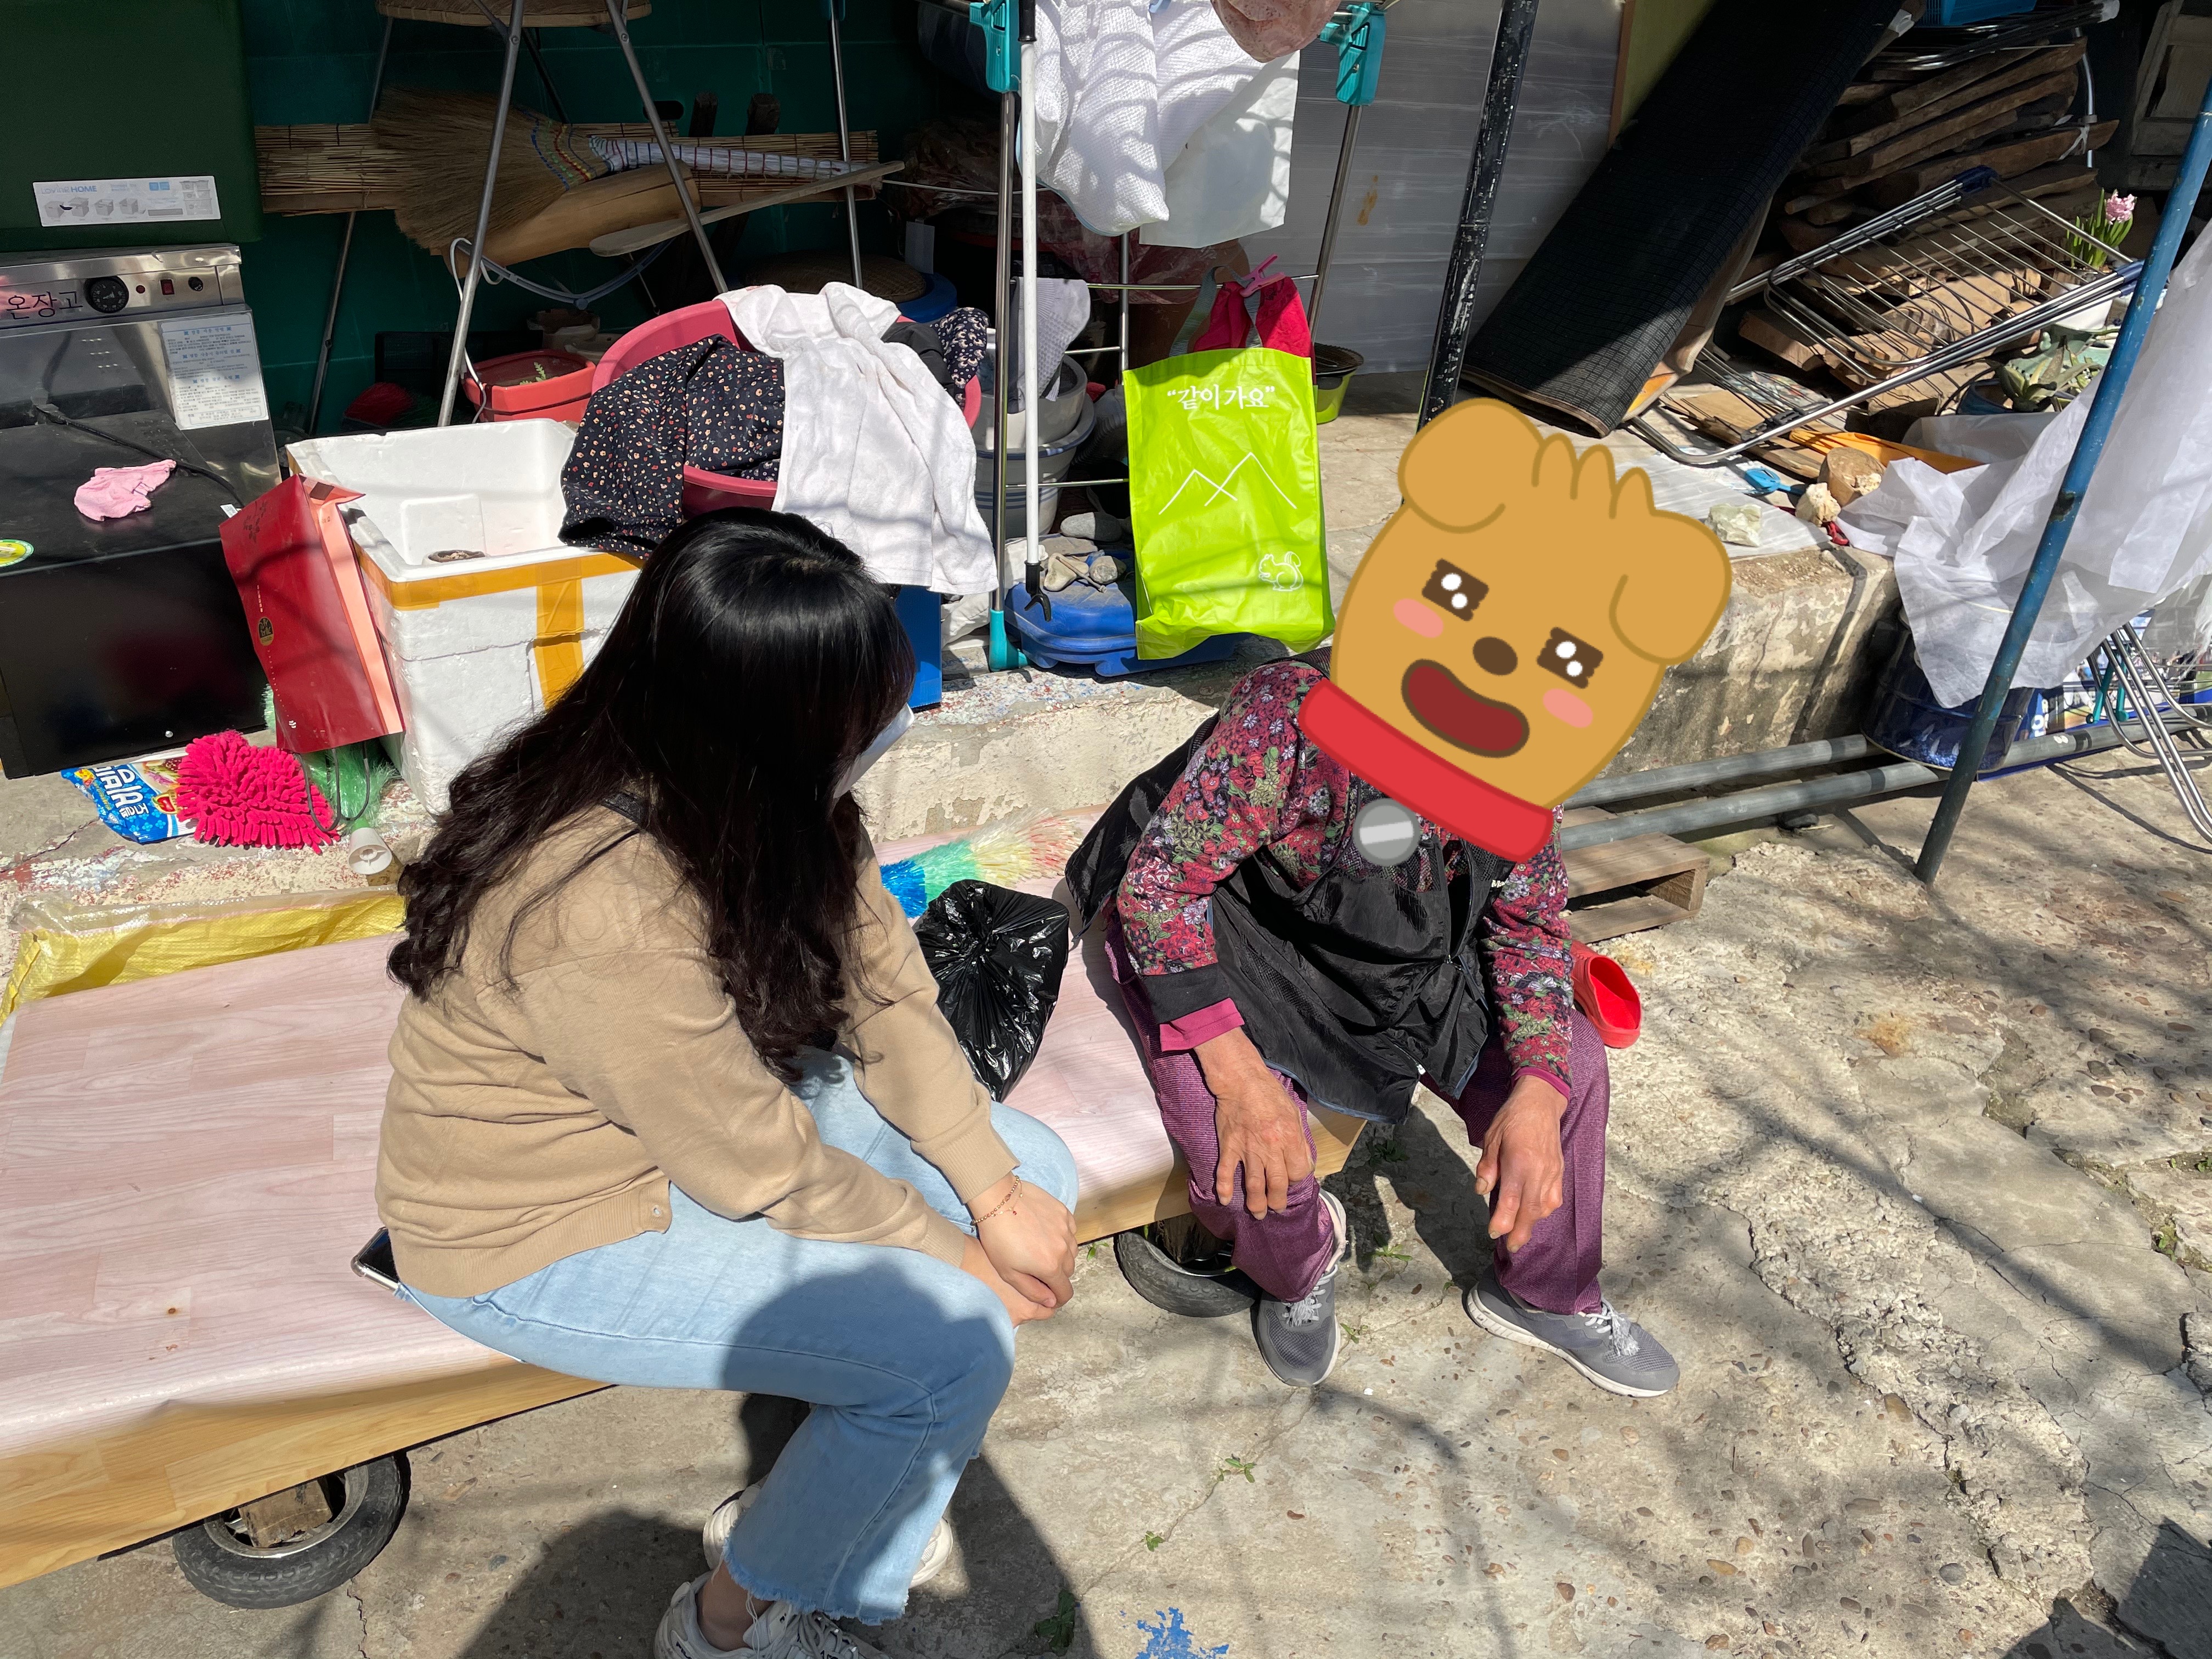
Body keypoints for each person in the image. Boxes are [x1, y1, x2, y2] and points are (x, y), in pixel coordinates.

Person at [376, 510, 1080, 1659]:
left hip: (681, 1130)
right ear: (768, 727)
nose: (891, 727)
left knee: (1030, 1167)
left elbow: (887, 998)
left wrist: (995, 1197)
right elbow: (759, 1164)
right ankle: (730, 1622)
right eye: (862, 711)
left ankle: (829, 1495)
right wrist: (959, 1257)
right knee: (949, 1343)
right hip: (538, 1228)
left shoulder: (774, 799)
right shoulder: (598, 902)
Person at [1066, 655, 1677, 1396]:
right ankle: (1300, 1268)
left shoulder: (1535, 749)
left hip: (1410, 951)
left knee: (1570, 1063)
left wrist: (1542, 1091)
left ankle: (1545, 1293)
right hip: (1250, 932)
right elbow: (1160, 891)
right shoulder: (1295, 717)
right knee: (1238, 1153)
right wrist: (1240, 1080)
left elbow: (1528, 927)